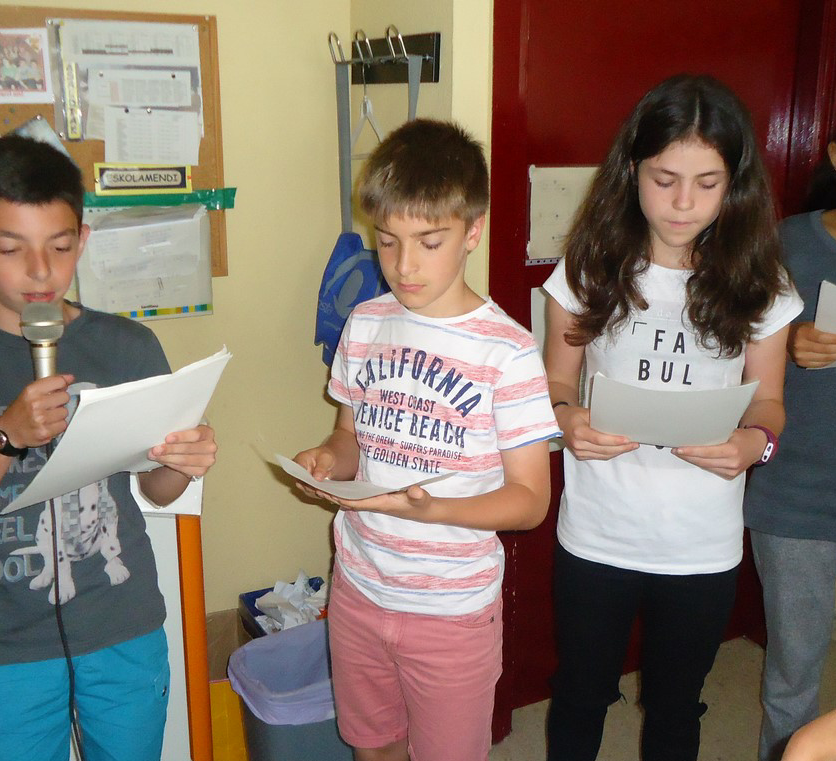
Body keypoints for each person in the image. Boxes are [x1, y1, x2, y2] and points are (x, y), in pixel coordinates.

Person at [0, 134, 217, 761]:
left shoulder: (127, 347)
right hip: (5, 645)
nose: (39, 271)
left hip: (121, 625)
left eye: (59, 247)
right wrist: (5, 437)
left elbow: (156, 490)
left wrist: (182, 463)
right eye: (10, 248)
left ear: (82, 241)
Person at [541, 74, 803, 761]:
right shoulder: (589, 267)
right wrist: (567, 420)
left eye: (707, 183)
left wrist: (754, 444)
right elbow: (556, 380)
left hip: (701, 541)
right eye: (665, 179)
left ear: (734, 184)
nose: (684, 203)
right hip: (597, 531)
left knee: (677, 704)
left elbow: (769, 401)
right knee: (579, 693)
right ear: (632, 170)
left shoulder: (760, 282)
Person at [292, 119, 561, 761]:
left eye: (428, 242)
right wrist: (327, 460)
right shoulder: (365, 322)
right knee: (373, 745)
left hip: (451, 610)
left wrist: (433, 509)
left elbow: (530, 501)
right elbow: (348, 435)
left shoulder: (508, 352)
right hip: (359, 587)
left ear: (473, 231)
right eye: (387, 242)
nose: (404, 265)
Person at [744, 137, 836, 761]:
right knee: (793, 678)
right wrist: (786, 341)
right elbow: (723, 356)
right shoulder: (784, 245)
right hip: (797, 497)